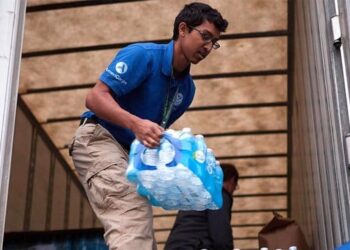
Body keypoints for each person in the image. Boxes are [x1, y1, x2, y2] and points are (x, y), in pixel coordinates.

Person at [68, 2, 228, 250]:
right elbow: (95, 97)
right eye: (205, 36)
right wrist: (136, 124)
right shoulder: (142, 55)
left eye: (214, 42)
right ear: (183, 29)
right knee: (133, 217)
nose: (208, 47)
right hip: (99, 139)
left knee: (143, 234)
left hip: (128, 156)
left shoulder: (187, 90)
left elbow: (151, 136)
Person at [164, 163, 240, 250]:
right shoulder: (218, 195)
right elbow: (220, 233)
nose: (233, 191)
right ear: (232, 180)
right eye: (235, 186)